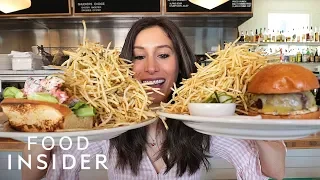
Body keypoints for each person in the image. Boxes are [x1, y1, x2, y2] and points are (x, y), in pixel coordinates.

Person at [23, 17, 286, 180]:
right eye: (139, 56)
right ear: (125, 66)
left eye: (163, 55)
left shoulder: (200, 119)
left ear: (180, 62)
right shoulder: (110, 124)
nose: (150, 68)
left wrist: (257, 118)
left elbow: (272, 171)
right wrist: (42, 121)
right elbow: (38, 173)